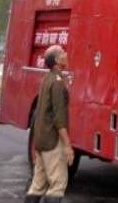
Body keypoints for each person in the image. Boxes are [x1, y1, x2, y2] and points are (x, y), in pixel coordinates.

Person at [24, 45, 73, 203]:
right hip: (52, 142)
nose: (66, 54)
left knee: (37, 185)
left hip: (40, 139)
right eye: (63, 52)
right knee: (57, 185)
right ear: (58, 60)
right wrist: (67, 145)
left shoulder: (46, 78)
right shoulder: (58, 82)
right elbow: (59, 117)